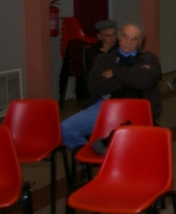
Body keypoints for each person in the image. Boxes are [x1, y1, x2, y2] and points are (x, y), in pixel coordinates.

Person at [61, 22, 162, 151]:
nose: (128, 41)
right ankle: (92, 157)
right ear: (120, 37)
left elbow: (146, 80)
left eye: (134, 38)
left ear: (140, 41)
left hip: (135, 109)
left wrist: (115, 72)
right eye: (125, 36)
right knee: (66, 129)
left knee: (128, 139)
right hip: (104, 106)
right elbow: (95, 86)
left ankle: (110, 153)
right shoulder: (104, 59)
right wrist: (132, 76)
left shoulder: (148, 58)